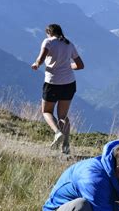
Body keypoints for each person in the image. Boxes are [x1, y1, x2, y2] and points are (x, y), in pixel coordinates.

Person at [31, 24, 84, 154]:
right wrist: (67, 66)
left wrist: (36, 63)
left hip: (52, 83)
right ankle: (66, 146)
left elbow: (41, 58)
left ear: (49, 32)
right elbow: (80, 65)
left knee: (46, 111)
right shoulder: (69, 44)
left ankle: (57, 132)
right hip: (69, 83)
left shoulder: (48, 41)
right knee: (63, 116)